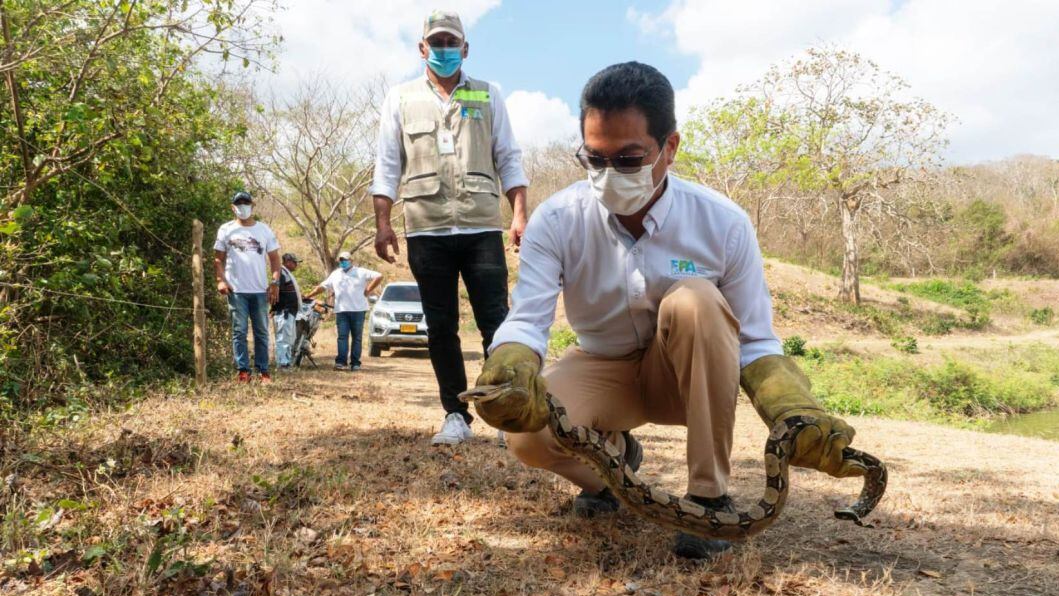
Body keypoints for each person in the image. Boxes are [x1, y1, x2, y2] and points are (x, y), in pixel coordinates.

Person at [471, 62, 864, 560]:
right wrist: (511, 361)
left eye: (629, 158)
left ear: (669, 148)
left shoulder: (723, 223)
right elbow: (528, 317)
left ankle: (709, 498)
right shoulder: (557, 220)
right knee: (527, 439)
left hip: (687, 377)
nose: (609, 174)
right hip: (604, 367)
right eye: (594, 159)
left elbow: (758, 340)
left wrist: (792, 407)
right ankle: (610, 473)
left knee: (695, 299)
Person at [370, 10, 529, 446]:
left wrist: (518, 214)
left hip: (481, 226)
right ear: (422, 48)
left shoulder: (487, 95)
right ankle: (455, 415)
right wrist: (384, 224)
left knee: (496, 321)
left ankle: (502, 413)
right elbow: (387, 166)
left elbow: (509, 157)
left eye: (451, 42)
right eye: (436, 42)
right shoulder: (399, 99)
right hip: (426, 228)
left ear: (465, 48)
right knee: (440, 326)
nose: (443, 50)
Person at [213, 191, 281, 384]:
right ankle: (243, 371)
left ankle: (263, 371)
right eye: (238, 203)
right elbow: (218, 258)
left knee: (261, 332)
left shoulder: (264, 230)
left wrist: (274, 282)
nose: (242, 206)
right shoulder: (226, 229)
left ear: (253, 205)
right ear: (232, 207)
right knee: (239, 331)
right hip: (236, 291)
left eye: (246, 203)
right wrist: (221, 280)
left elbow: (275, 259)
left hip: (260, 291)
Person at [306, 251, 382, 371]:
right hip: (341, 311)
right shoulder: (336, 274)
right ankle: (341, 362)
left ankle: (355, 363)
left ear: (351, 261)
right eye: (341, 260)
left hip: (358, 310)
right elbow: (323, 286)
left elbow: (379, 276)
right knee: (342, 337)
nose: (343, 262)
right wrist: (309, 295)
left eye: (345, 260)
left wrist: (368, 290)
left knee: (357, 337)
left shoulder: (361, 272)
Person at [271, 252, 303, 370]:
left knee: (289, 338)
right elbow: (275, 291)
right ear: (288, 262)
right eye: (295, 262)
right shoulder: (281, 273)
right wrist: (274, 308)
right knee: (283, 338)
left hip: (289, 312)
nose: (296, 265)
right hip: (284, 311)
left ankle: (286, 362)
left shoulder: (286, 273)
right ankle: (283, 364)